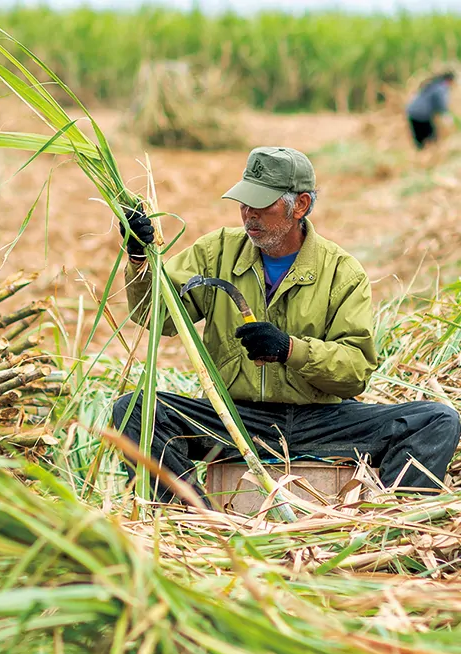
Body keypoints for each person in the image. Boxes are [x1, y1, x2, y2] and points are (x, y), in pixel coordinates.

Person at [113, 146, 460, 503]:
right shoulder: (215, 251)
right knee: (133, 411)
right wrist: (140, 260)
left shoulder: (341, 271)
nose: (249, 214)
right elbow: (157, 316)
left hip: (320, 419)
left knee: (437, 420)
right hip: (236, 418)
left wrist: (290, 350)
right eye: (244, 202)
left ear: (301, 205)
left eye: (262, 205)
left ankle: (387, 524)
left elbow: (355, 371)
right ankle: (195, 519)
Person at [406, 71, 456, 149]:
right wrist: (445, 114)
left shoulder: (434, 83)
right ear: (450, 80)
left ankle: (422, 156)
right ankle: (430, 156)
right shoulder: (441, 87)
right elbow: (440, 102)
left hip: (412, 112)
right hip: (421, 114)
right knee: (431, 138)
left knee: (420, 140)